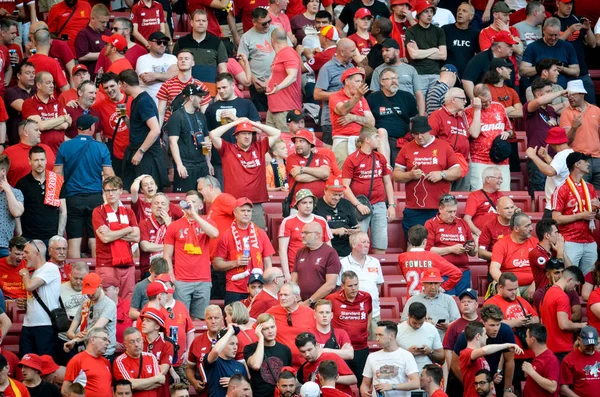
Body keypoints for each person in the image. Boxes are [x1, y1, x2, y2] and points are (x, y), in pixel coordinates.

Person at [393, 116, 460, 237]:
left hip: (440, 207)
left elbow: (457, 171)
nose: (419, 137)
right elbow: (396, 175)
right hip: (414, 208)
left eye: (422, 133)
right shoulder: (406, 148)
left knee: (440, 242)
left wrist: (442, 174)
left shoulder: (444, 146)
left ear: (429, 131)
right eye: (416, 133)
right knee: (414, 243)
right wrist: (410, 175)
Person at [209, 118, 280, 229]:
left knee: (258, 236)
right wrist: (236, 122)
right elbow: (213, 134)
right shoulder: (228, 149)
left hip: (255, 204)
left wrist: (250, 123)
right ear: (236, 136)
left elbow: (277, 133)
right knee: (235, 237)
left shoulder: (260, 147)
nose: (247, 137)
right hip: (234, 204)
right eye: (243, 133)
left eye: (249, 133)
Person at [163, 190, 218, 319]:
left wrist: (195, 216)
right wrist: (171, 276)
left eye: (193, 202)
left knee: (200, 318)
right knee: (181, 318)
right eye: (187, 202)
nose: (189, 205)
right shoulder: (174, 226)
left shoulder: (207, 222)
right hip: (181, 280)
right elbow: (167, 254)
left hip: (203, 279)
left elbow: (214, 234)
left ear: (200, 206)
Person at [342, 127, 394, 254]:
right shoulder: (352, 159)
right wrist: (358, 204)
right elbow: (345, 186)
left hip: (379, 204)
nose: (379, 140)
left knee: (381, 244)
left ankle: (377, 270)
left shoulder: (380, 158)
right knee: (358, 243)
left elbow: (387, 182)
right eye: (376, 137)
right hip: (359, 206)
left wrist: (391, 205)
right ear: (367, 140)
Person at [213, 197, 275, 304]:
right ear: (235, 212)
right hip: (235, 289)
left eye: (249, 211)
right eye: (243, 210)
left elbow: (267, 262)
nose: (246, 213)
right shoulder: (226, 235)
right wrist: (235, 263)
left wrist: (266, 284)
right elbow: (216, 264)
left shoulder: (260, 233)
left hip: (257, 287)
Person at [203, 73, 261, 184]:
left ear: (233, 86)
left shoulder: (246, 104)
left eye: (224, 87)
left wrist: (235, 119)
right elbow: (207, 135)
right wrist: (208, 161)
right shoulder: (211, 107)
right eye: (218, 88)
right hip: (219, 159)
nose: (221, 91)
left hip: (243, 158)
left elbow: (258, 129)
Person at [451, 304, 517, 396]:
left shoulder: (505, 330)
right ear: (482, 323)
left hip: (490, 383)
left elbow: (509, 361)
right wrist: (473, 384)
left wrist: (507, 388)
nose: (496, 329)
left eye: (498, 324)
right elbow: (454, 364)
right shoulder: (468, 335)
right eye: (492, 325)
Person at [551, 151, 600, 274]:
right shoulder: (562, 189)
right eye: (585, 161)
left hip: (589, 240)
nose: (588, 164)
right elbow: (556, 218)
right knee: (569, 279)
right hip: (570, 241)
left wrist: (598, 209)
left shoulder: (590, 188)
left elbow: (597, 216)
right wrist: (581, 215)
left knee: (591, 280)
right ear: (577, 164)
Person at [119, 69, 168, 191]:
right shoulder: (137, 100)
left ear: (125, 84)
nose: (120, 88)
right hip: (141, 152)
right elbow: (138, 129)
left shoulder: (143, 101)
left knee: (147, 192)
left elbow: (155, 130)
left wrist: (140, 151)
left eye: (120, 84)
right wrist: (125, 118)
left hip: (147, 155)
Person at [92, 176, 139, 300]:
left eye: (113, 189)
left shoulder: (129, 212)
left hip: (127, 265)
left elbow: (137, 236)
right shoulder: (98, 211)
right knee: (107, 303)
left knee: (127, 304)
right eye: (107, 191)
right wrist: (127, 229)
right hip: (106, 264)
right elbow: (105, 238)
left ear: (120, 191)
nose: (110, 193)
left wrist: (113, 233)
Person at [366, 66, 419, 163]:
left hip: (401, 140)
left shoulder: (407, 97)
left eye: (396, 78)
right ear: (382, 82)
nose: (394, 81)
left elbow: (414, 120)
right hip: (380, 140)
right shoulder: (372, 98)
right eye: (390, 79)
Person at [425, 195, 477, 293]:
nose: (453, 215)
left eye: (454, 211)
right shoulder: (431, 224)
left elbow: (473, 253)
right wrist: (451, 249)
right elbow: (428, 251)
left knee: (464, 302)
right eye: (449, 212)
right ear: (440, 209)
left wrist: (471, 248)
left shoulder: (463, 223)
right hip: (443, 273)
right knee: (448, 302)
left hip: (463, 272)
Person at [523, 78, 567, 194]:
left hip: (554, 159)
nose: (552, 95)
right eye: (548, 92)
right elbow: (538, 102)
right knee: (538, 194)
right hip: (538, 158)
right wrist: (561, 93)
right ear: (538, 94)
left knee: (554, 193)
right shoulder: (529, 107)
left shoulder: (550, 110)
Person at [465, 84, 513, 190]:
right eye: (483, 101)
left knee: (503, 195)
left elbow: (510, 130)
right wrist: (477, 109)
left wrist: (507, 133)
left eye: (489, 100)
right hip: (479, 160)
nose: (487, 103)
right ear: (476, 99)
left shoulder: (499, 107)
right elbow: (474, 134)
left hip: (501, 160)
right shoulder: (468, 111)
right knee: (480, 195)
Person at [18, 240, 61, 357]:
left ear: (37, 253)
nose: (23, 256)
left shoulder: (50, 267)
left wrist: (25, 274)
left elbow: (30, 286)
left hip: (45, 325)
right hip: (28, 324)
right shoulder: (36, 272)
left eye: (26, 252)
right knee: (26, 362)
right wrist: (27, 303)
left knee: (44, 365)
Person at [327, 271, 370, 383]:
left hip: (361, 348)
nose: (354, 288)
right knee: (339, 381)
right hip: (341, 349)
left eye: (356, 285)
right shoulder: (332, 299)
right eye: (350, 286)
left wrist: (364, 330)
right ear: (342, 286)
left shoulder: (366, 297)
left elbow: (369, 314)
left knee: (363, 381)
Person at [167, 84, 211, 192]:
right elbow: (173, 142)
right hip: (186, 166)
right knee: (186, 199)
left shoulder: (201, 116)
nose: (202, 99)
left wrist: (208, 163)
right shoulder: (176, 116)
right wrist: (179, 165)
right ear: (191, 97)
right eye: (200, 96)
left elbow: (206, 139)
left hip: (201, 165)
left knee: (204, 200)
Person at [15, 146, 65, 242]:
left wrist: (59, 235)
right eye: (36, 160)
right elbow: (17, 213)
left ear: (46, 160)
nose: (39, 163)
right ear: (30, 161)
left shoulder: (56, 180)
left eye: (42, 159)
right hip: (29, 237)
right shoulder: (22, 183)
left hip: (52, 237)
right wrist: (20, 235)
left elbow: (63, 211)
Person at [314, 38, 358, 145]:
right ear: (342, 52)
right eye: (352, 51)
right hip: (331, 121)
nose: (355, 54)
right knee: (332, 155)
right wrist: (340, 95)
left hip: (350, 119)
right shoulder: (327, 68)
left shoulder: (351, 66)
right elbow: (317, 94)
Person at [460, 321, 523, 397]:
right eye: (484, 334)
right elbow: (484, 350)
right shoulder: (466, 353)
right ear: (478, 336)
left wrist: (492, 378)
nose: (486, 337)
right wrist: (507, 345)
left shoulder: (479, 356)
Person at [281, 191, 332, 281]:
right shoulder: (288, 221)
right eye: (304, 203)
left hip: (319, 270)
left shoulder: (321, 221)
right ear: (297, 205)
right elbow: (282, 250)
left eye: (310, 202)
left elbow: (329, 247)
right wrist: (286, 273)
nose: (308, 206)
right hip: (295, 271)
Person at [63, 273, 117, 358]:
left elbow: (96, 328)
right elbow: (70, 332)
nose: (90, 295)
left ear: (100, 286)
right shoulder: (85, 303)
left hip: (104, 352)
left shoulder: (109, 304)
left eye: (92, 292)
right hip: (88, 350)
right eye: (88, 292)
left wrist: (75, 341)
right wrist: (75, 336)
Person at [329, 69, 375, 168]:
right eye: (357, 81)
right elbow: (342, 111)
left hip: (362, 140)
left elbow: (371, 122)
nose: (360, 84)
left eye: (361, 82)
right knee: (343, 172)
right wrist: (358, 96)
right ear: (347, 81)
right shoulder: (334, 96)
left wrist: (353, 117)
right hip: (343, 138)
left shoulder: (362, 99)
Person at [360, 321, 419, 397]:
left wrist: (392, 386)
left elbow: (416, 383)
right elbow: (365, 383)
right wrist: (364, 391)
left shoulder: (406, 355)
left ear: (391, 336)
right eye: (376, 335)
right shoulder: (372, 357)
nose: (377, 339)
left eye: (380, 335)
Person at [237, 8, 279, 112]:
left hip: (278, 82)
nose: (267, 25)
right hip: (258, 84)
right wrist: (254, 81)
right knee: (262, 115)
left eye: (269, 21)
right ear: (254, 22)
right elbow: (242, 61)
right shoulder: (246, 37)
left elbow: (288, 52)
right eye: (264, 23)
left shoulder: (277, 31)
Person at [555, 0, 597, 104]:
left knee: (591, 106)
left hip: (582, 71)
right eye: (565, 3)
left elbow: (593, 44)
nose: (569, 6)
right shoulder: (553, 21)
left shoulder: (577, 19)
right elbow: (553, 44)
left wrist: (588, 30)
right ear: (557, 3)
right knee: (565, 107)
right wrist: (569, 31)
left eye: (570, 3)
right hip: (561, 73)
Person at [560, 81, 600, 190]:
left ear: (582, 94)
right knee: (580, 194)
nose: (570, 97)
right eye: (568, 95)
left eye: (573, 94)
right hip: (578, 160)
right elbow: (566, 141)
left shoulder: (596, 110)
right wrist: (574, 127)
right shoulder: (566, 113)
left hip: (597, 159)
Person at [540, 266, 586, 360]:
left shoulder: (548, 292)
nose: (574, 289)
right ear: (569, 280)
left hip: (550, 347)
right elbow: (564, 324)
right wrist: (582, 325)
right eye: (575, 286)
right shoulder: (562, 296)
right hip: (562, 348)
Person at [526, 126, 573, 218]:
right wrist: (546, 156)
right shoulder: (570, 153)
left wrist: (533, 156)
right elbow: (558, 171)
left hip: (555, 206)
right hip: (564, 205)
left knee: (547, 232)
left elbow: (550, 171)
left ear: (552, 143)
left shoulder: (561, 155)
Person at [369, 39, 424, 116]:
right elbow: (374, 95)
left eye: (387, 50)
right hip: (387, 111)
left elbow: (418, 94)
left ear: (397, 52)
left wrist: (421, 116)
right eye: (383, 51)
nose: (384, 53)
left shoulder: (410, 69)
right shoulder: (378, 70)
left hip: (408, 109)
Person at [520, 18, 579, 89]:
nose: (553, 38)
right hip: (539, 89)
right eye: (550, 35)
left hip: (562, 89)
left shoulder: (568, 47)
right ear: (543, 30)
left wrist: (563, 69)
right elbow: (523, 71)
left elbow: (576, 72)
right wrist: (542, 67)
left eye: (556, 35)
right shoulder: (532, 47)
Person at [266, 283, 316, 367]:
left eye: (286, 295)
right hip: (281, 365)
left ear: (296, 297)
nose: (282, 298)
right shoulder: (271, 312)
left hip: (306, 364)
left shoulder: (310, 313)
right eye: (280, 294)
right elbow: (256, 330)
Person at [403, 0, 447, 97]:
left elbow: (443, 55)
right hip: (418, 74)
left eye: (431, 12)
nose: (429, 15)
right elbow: (414, 55)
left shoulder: (439, 31)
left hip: (435, 74)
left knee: (434, 105)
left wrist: (420, 52)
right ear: (419, 14)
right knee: (419, 107)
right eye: (426, 12)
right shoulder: (411, 31)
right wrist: (434, 50)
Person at [489, 212, 538, 297]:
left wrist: (535, 283)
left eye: (530, 225)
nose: (531, 228)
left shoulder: (536, 243)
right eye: (527, 226)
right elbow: (494, 269)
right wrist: (509, 285)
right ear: (516, 228)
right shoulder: (501, 244)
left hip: (532, 286)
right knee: (502, 288)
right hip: (509, 286)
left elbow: (544, 269)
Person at [94, 72, 133, 178]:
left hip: (133, 150)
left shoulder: (132, 100)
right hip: (114, 153)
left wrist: (126, 118)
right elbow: (85, 110)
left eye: (112, 86)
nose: (110, 90)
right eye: (106, 88)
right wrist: (74, 103)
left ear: (119, 84)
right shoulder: (99, 106)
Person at [172, 10, 227, 84]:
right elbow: (175, 67)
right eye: (198, 20)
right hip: (185, 88)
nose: (201, 23)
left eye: (204, 21)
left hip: (210, 88)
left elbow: (223, 69)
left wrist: (222, 88)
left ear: (207, 23)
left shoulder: (217, 42)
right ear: (191, 23)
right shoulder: (181, 42)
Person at [21, 72, 71, 154]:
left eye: (52, 82)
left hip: (59, 151)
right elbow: (40, 126)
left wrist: (46, 123)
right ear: (39, 85)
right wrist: (63, 118)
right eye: (48, 83)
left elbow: (64, 125)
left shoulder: (58, 102)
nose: (52, 85)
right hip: (38, 153)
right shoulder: (29, 103)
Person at [244, 313, 292, 396]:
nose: (270, 331)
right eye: (265, 329)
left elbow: (288, 376)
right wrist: (261, 339)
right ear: (259, 330)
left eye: (272, 327)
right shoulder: (250, 349)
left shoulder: (285, 350)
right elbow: (256, 365)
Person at [265, 28, 301, 132]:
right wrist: (267, 83)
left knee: (285, 143)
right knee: (272, 145)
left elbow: (292, 76)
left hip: (285, 108)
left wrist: (278, 87)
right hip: (274, 108)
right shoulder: (280, 54)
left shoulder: (289, 53)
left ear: (272, 40)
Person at [462, 32, 516, 100]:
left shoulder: (509, 62)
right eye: (509, 46)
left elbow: (511, 86)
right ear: (499, 47)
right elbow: (467, 80)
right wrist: (475, 100)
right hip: (483, 102)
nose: (512, 48)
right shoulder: (480, 58)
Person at [314, 176, 359, 258]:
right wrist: (334, 231)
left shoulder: (346, 204)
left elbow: (356, 227)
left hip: (347, 251)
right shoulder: (316, 206)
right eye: (334, 194)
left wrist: (353, 231)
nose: (337, 198)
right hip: (325, 251)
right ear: (325, 191)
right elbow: (314, 232)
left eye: (340, 195)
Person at [114, 327, 165, 396]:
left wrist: (137, 385)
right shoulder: (120, 361)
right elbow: (129, 386)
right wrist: (155, 379)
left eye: (138, 340)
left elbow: (160, 382)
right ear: (125, 344)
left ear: (142, 340)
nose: (136, 345)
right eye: (132, 342)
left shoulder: (151, 357)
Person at [62, 327, 112, 397]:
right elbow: (65, 390)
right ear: (92, 340)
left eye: (108, 341)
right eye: (104, 339)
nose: (107, 343)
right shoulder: (77, 360)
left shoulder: (106, 362)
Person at [5, 119, 55, 188]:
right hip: (19, 197)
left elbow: (56, 172)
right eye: (36, 130)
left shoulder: (47, 149)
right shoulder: (9, 153)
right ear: (26, 132)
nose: (40, 133)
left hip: (48, 196)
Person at [186, 305, 224, 394]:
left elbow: (242, 368)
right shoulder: (197, 341)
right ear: (205, 320)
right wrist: (193, 381)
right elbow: (189, 368)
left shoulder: (231, 339)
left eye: (216, 318)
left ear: (222, 319)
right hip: (204, 392)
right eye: (210, 318)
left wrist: (233, 380)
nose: (213, 321)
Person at [396, 302, 444, 372]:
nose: (418, 326)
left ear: (425, 317)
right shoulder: (397, 330)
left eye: (421, 323)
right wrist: (408, 354)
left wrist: (430, 352)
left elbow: (442, 359)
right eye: (414, 323)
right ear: (408, 315)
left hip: (425, 377)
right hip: (404, 375)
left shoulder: (431, 329)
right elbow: (390, 359)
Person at [286, 130, 331, 201]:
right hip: (299, 204)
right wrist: (320, 176)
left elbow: (325, 173)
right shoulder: (291, 158)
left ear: (309, 143)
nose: (297, 144)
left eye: (301, 141)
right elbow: (299, 178)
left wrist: (302, 169)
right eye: (296, 142)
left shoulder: (321, 157)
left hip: (320, 205)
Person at [135, 32, 178, 106]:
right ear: (149, 43)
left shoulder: (172, 58)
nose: (162, 45)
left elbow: (176, 77)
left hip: (170, 103)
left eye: (164, 43)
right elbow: (146, 79)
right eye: (159, 42)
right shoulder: (142, 59)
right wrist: (168, 76)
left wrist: (155, 76)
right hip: (150, 103)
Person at [204, 325, 248, 397]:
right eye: (231, 344)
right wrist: (230, 331)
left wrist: (234, 383)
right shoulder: (214, 362)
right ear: (222, 344)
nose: (235, 347)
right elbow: (215, 351)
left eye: (236, 344)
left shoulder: (240, 366)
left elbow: (247, 390)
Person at [529, 218, 572, 290]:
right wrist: (560, 251)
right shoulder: (535, 253)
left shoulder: (555, 250)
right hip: (544, 292)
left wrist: (562, 251)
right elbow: (556, 270)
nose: (559, 235)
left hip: (559, 290)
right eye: (556, 232)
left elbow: (570, 270)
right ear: (547, 236)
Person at [140, 307, 174, 397]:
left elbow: (163, 371)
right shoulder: (138, 344)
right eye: (143, 320)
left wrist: (141, 370)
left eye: (148, 321)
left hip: (160, 393)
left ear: (157, 326)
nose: (143, 323)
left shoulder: (167, 345)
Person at [442, 3, 480, 78]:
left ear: (471, 16)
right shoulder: (445, 30)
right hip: (447, 73)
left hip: (466, 75)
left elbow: (479, 55)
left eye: (464, 11)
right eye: (459, 10)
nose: (460, 12)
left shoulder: (476, 33)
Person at [560, 325, 600, 394]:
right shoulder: (569, 359)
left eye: (592, 344)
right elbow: (563, 388)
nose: (590, 347)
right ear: (579, 340)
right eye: (587, 344)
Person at [522, 323, 560, 396]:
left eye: (526, 336)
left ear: (532, 339)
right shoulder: (539, 357)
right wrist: (530, 374)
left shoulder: (551, 359)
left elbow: (552, 387)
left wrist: (531, 372)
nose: (525, 339)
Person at [463, 167, 503, 236]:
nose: (501, 181)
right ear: (488, 179)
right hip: (480, 234)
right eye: (498, 178)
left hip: (498, 234)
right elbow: (467, 219)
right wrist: (478, 232)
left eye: (501, 178)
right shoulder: (475, 196)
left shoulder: (501, 195)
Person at [74, 4, 111, 74]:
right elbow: (82, 56)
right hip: (91, 74)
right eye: (102, 22)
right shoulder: (83, 34)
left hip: (107, 73)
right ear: (92, 19)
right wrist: (104, 53)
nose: (105, 25)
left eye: (107, 22)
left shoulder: (108, 32)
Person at [5, 61, 36, 145]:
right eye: (28, 73)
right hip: (17, 140)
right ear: (19, 76)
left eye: (33, 73)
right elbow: (24, 107)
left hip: (37, 137)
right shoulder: (11, 91)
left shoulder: (38, 90)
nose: (32, 75)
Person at [478, 197, 516, 262]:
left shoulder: (519, 223)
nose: (510, 211)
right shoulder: (489, 226)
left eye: (512, 207)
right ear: (498, 211)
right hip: (498, 266)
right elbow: (481, 252)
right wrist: (501, 257)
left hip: (519, 264)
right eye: (506, 208)